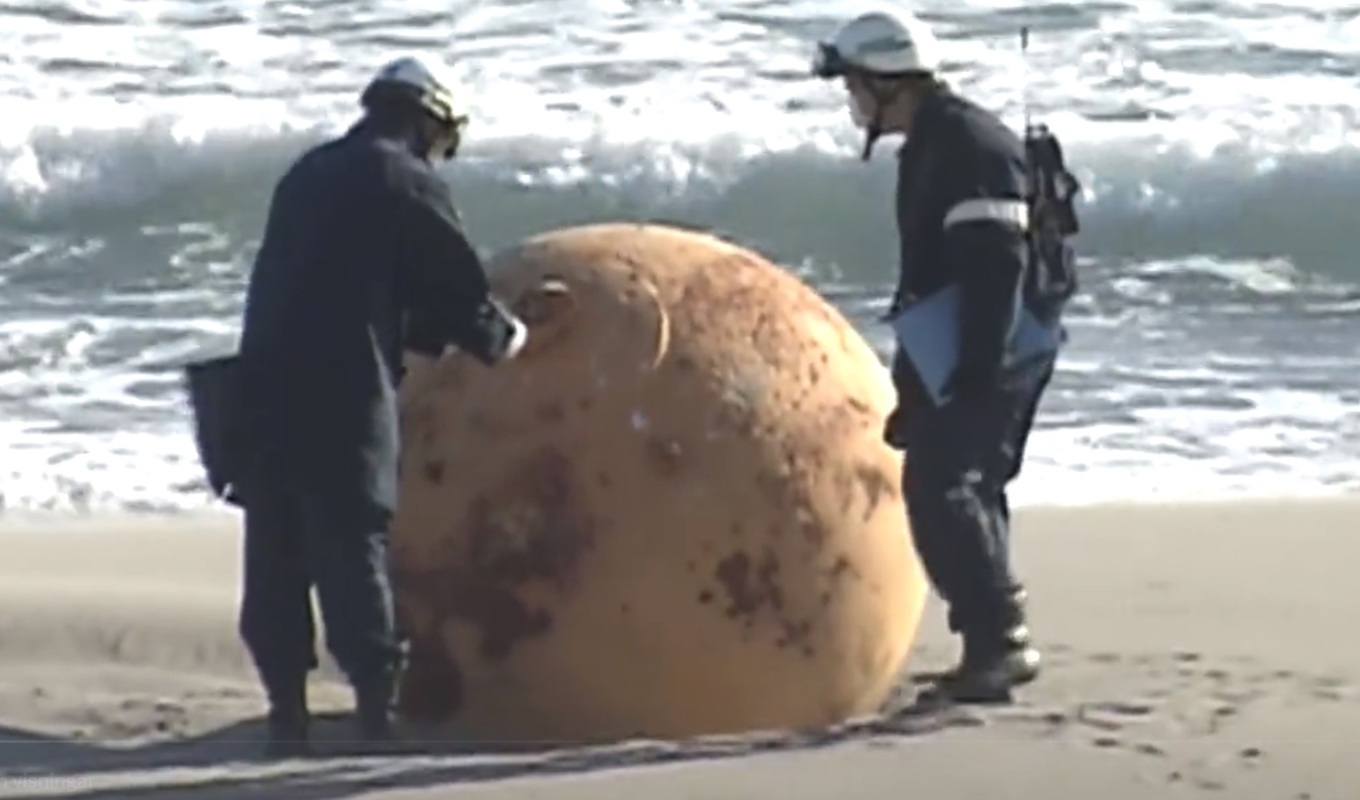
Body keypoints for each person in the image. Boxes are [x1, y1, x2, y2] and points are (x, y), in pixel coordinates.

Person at [233, 54, 529, 757]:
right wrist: (509, 339)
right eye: (447, 142)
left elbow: (367, 285)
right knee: (350, 542)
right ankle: (375, 713)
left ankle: (287, 714)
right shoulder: (406, 179)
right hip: (340, 390)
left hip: (262, 387)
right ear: (429, 122)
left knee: (276, 548)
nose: (444, 156)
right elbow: (458, 294)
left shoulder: (308, 172)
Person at [812, 10, 1080, 703]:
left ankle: (1001, 640)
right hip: (973, 344)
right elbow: (935, 281)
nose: (851, 101)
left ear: (885, 83)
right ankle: (992, 641)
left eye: (854, 87)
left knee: (944, 487)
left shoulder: (966, 146)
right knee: (968, 482)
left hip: (1002, 345)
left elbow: (996, 266)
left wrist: (973, 374)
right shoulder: (936, 140)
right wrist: (917, 389)